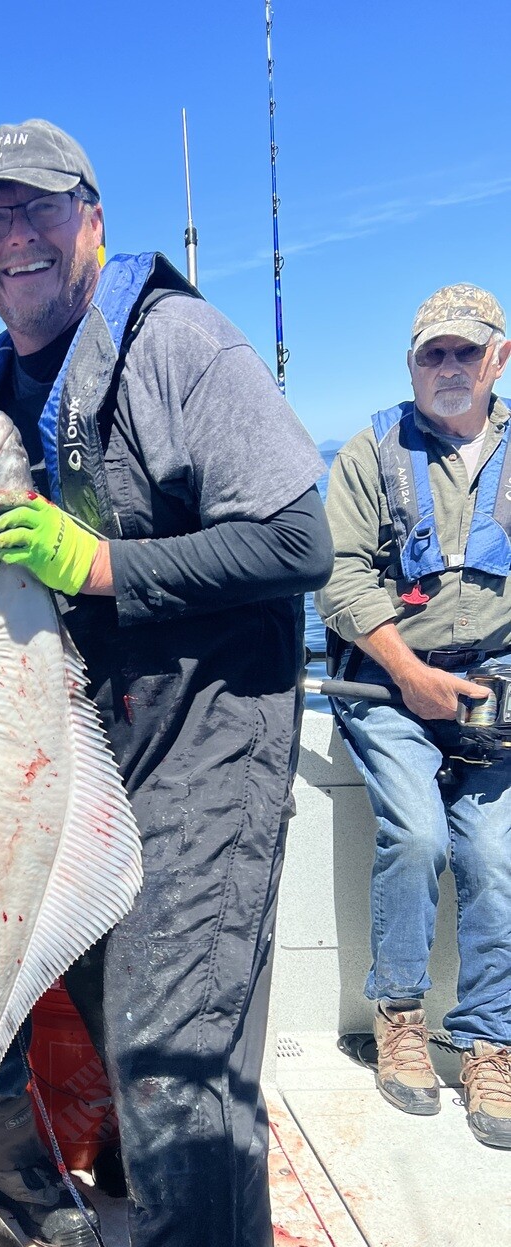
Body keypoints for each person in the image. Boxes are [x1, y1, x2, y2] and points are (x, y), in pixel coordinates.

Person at [0, 119, 333, 1247]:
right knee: (161, 1075)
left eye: (40, 210)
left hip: (212, 750)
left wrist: (102, 565)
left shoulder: (181, 344)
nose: (16, 238)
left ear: (93, 219)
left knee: (175, 1074)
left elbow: (299, 538)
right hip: (92, 765)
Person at [316, 284, 511, 1149]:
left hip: (495, 692)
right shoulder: (370, 452)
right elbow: (338, 578)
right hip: (389, 688)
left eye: (465, 351)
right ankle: (397, 1015)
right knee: (419, 835)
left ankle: (488, 1042)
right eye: (433, 353)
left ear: (497, 358)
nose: (449, 367)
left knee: (494, 855)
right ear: (410, 366)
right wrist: (409, 672)